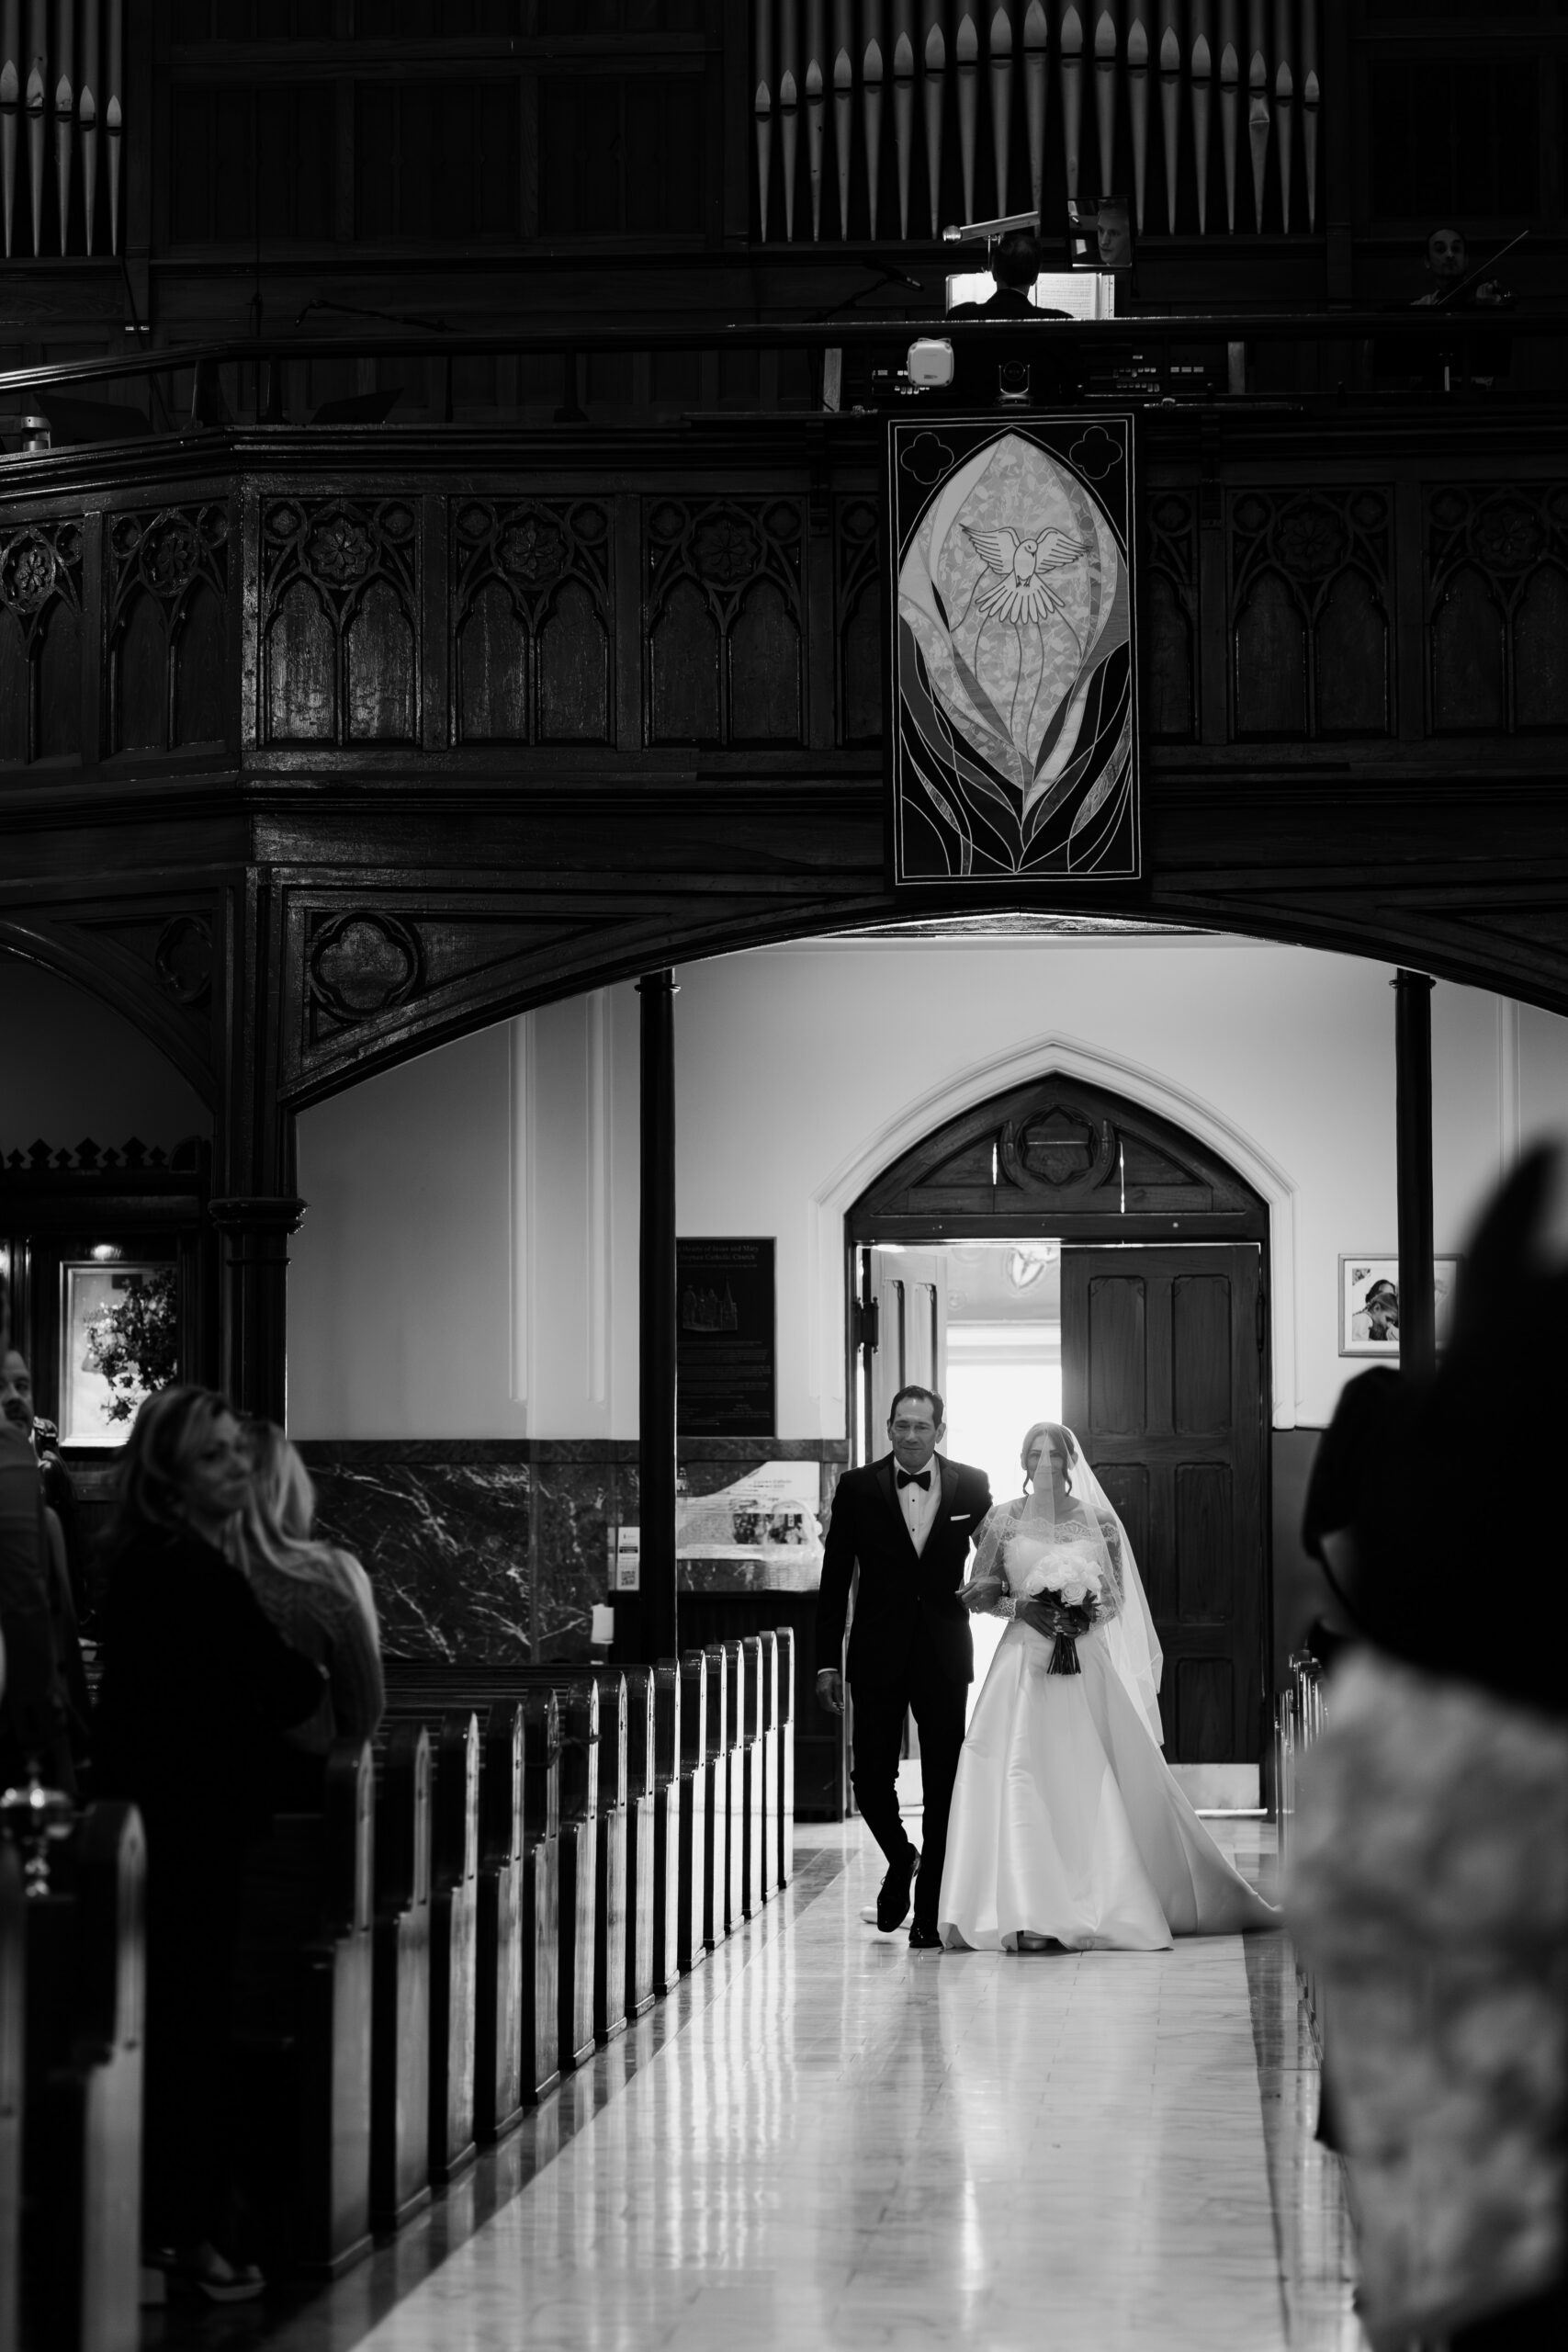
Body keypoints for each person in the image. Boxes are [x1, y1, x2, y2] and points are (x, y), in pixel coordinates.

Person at [93, 1385, 324, 2302]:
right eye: (215, 1456)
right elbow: (284, 1686)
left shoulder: (151, 1563)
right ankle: (183, 2236)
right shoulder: (194, 1572)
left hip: (157, 1823)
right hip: (191, 1832)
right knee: (190, 2035)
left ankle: (164, 2232)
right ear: (170, 1479)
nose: (238, 1466)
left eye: (239, 1451)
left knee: (173, 2026)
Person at [939, 1421, 1276, 1951]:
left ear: (1071, 1461)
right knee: (1019, 1772)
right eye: (1035, 1454)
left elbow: (1115, 1599)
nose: (1045, 1463)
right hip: (1021, 1664)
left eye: (1055, 1455)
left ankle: (1097, 1895)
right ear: (1023, 1461)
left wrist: (1082, 1616)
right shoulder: (1001, 1520)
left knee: (1087, 1774)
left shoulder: (1099, 1523)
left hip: (1083, 1661)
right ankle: (1024, 1908)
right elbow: (978, 1595)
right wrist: (1021, 1607)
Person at [815, 1385, 992, 1949]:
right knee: (869, 1779)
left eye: (922, 1426)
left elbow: (997, 1558)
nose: (911, 1436)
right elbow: (835, 1579)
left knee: (944, 1784)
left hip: (943, 1652)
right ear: (889, 1429)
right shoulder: (856, 1487)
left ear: (940, 1430)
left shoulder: (974, 1484)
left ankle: (929, 1912)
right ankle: (901, 1856)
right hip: (875, 1651)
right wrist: (826, 1662)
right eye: (902, 1426)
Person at [232, 1420, 384, 1805]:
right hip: (307, 1798)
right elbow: (363, 1715)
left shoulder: (187, 1572)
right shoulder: (330, 1578)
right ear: (292, 1487)